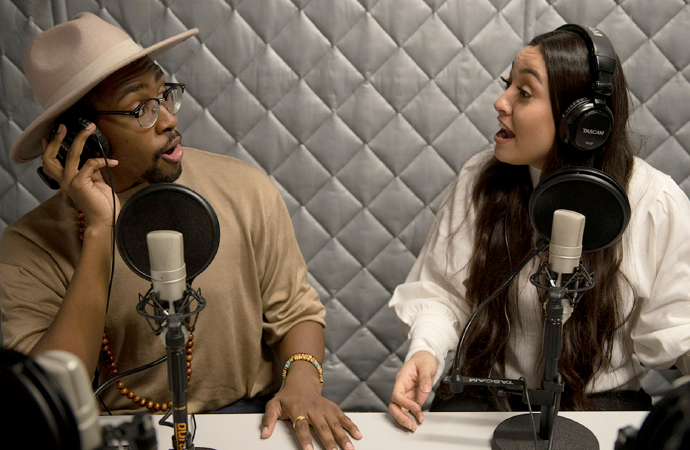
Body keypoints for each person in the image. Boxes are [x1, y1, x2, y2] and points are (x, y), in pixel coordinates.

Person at [0, 12, 362, 450]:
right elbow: (52, 391)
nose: (168, 118)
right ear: (85, 137)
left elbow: (297, 315)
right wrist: (99, 230)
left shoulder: (246, 189)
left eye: (165, 94)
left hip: (248, 424)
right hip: (122, 432)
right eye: (141, 109)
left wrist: (302, 386)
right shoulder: (25, 248)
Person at [388, 24, 690, 431]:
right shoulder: (480, 178)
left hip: (601, 407)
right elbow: (442, 294)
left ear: (585, 122)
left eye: (524, 93)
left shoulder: (654, 201)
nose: (500, 102)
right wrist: (425, 351)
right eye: (506, 84)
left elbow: (678, 330)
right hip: (490, 402)